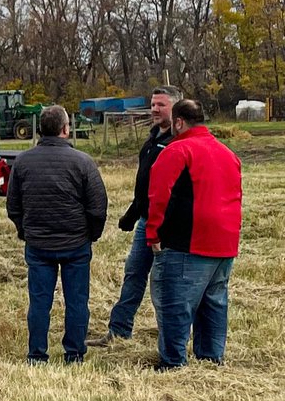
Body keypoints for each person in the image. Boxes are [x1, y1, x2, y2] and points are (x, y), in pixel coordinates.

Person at [6, 105, 108, 364]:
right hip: (75, 244)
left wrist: (24, 231)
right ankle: (74, 353)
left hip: (38, 244)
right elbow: (98, 207)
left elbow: (13, 205)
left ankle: (36, 354)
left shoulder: (23, 161)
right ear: (65, 129)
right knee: (77, 302)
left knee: (39, 302)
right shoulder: (83, 162)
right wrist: (91, 235)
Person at [146, 99, 242, 370]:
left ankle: (173, 362)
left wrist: (153, 233)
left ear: (178, 122)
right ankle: (211, 359)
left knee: (175, 303)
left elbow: (159, 195)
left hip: (189, 241)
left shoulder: (178, 150)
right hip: (224, 242)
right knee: (214, 303)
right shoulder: (227, 153)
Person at [92, 86, 179, 346]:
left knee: (165, 283)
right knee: (134, 273)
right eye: (153, 104)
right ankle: (118, 332)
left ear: (176, 108)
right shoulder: (152, 139)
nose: (154, 109)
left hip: (168, 226)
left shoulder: (178, 143)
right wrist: (132, 213)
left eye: (161, 105)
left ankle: (172, 340)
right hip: (145, 221)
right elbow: (145, 185)